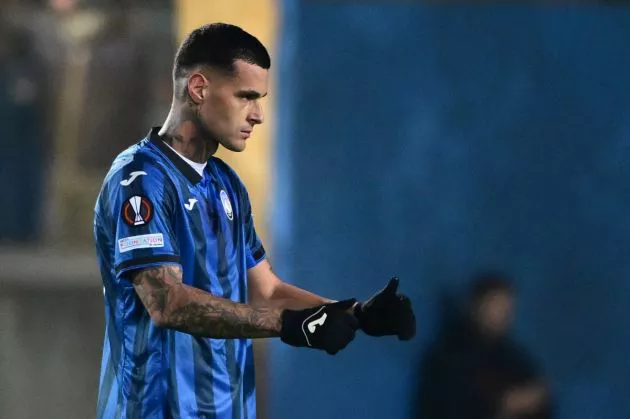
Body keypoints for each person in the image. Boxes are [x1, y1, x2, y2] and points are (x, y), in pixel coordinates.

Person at [94, 23, 416, 419]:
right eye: (246, 96)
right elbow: (167, 302)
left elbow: (266, 291)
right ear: (198, 89)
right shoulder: (140, 180)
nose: (258, 114)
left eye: (259, 99)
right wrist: (291, 325)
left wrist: (354, 313)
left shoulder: (227, 184)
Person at [415, 272, 552, 419]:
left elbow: (539, 399)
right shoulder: (445, 358)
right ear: (476, 306)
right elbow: (445, 407)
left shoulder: (514, 360)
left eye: (507, 309)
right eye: (496, 307)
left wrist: (534, 400)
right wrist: (502, 404)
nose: (503, 315)